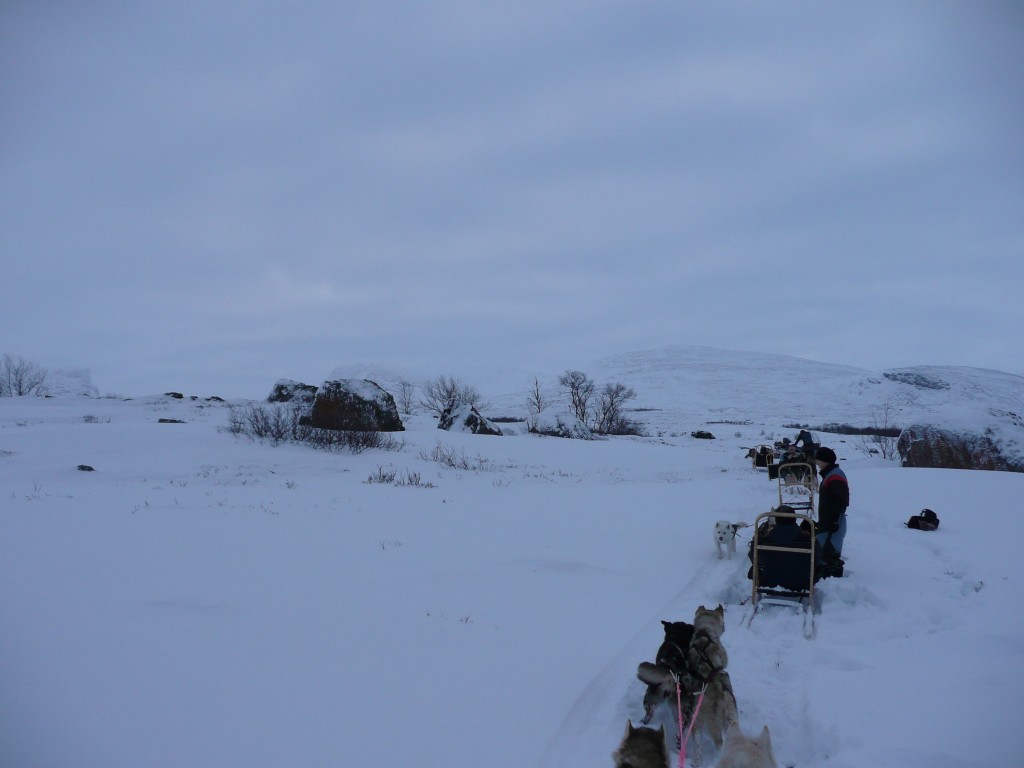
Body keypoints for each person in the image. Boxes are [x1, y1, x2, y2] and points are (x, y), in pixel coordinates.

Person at [814, 446, 849, 558]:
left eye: (818, 459)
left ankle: (831, 572)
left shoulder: (835, 475)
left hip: (832, 521)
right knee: (823, 547)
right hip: (828, 520)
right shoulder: (831, 474)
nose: (816, 462)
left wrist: (834, 521)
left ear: (824, 460)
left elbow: (840, 499)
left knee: (828, 552)